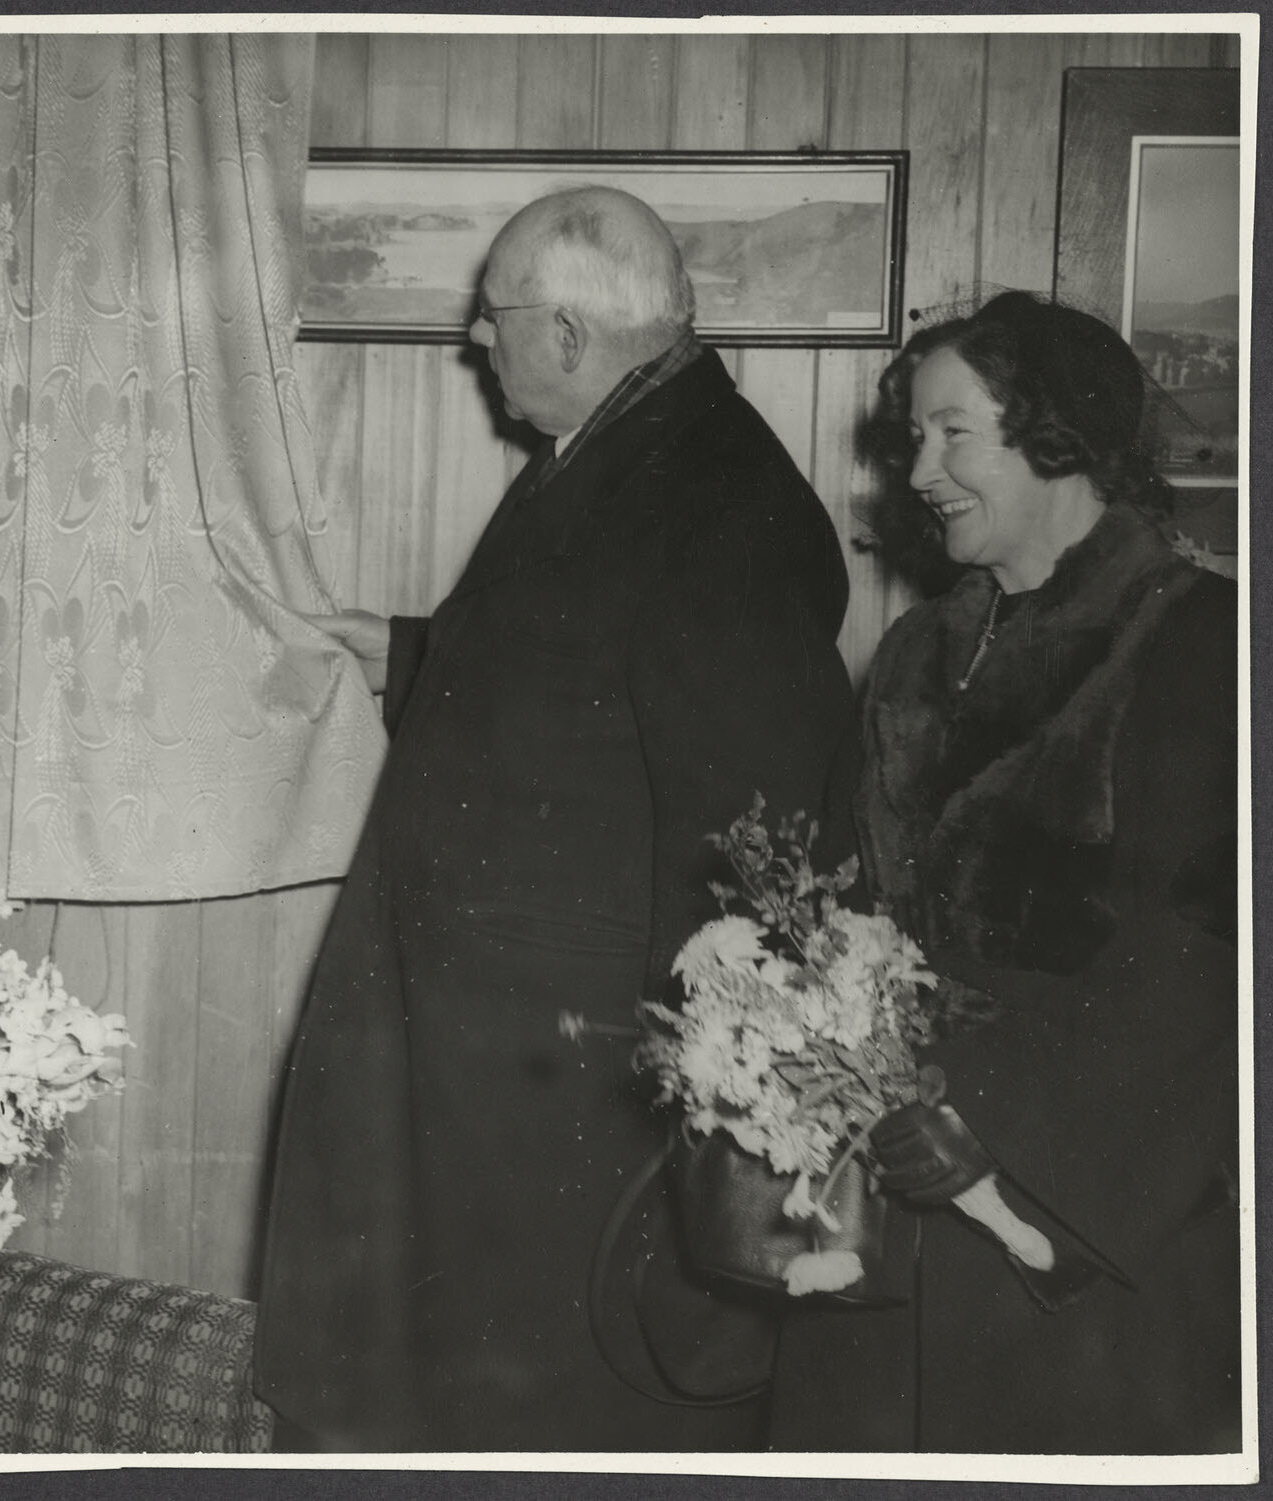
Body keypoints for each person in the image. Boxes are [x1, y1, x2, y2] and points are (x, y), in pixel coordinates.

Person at [253, 187, 858, 1450]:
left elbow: (747, 836)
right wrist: (404, 652)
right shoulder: (626, 443)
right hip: (503, 1053)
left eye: (495, 316)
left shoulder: (720, 499)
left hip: (573, 1085)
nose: (478, 338)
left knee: (562, 1406)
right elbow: (584, 676)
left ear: (570, 335)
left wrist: (695, 1098)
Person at [769, 292, 1240, 1453]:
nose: (917, 471)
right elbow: (832, 899)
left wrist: (991, 1123)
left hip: (1074, 1227)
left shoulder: (1200, 643)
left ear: (1056, 436)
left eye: (951, 434)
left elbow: (1206, 963)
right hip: (883, 1198)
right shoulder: (915, 650)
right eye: (911, 437)